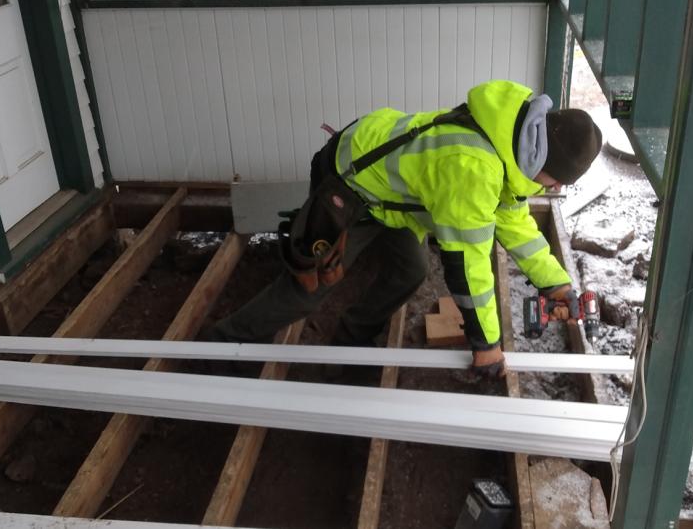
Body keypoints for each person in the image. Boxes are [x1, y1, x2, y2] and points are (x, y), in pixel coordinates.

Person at [209, 79, 602, 377]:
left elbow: (514, 221)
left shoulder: (518, 140)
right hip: (352, 180)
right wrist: (487, 346)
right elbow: (468, 265)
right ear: (542, 159)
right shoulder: (473, 169)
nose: (558, 189)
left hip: (394, 196)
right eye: (558, 180)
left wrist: (556, 284)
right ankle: (220, 347)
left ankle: (352, 341)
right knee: (309, 287)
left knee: (410, 270)